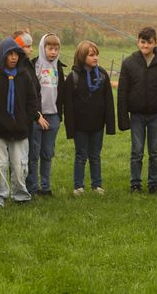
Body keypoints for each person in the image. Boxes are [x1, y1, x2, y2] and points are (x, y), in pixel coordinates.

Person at [0, 37, 47, 206]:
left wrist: (27, 119)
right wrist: (1, 120)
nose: (13, 57)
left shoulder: (24, 76)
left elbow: (32, 101)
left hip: (20, 130)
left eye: (16, 54)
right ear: (2, 56)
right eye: (9, 54)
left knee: (20, 165)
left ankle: (20, 195)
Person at [117, 27, 157, 193]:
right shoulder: (129, 63)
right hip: (136, 115)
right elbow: (122, 92)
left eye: (149, 42)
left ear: (155, 43)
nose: (146, 45)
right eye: (143, 42)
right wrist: (123, 118)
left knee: (155, 152)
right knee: (137, 151)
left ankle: (154, 184)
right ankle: (135, 183)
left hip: (156, 115)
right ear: (138, 41)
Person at [63, 40, 115, 196]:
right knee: (81, 155)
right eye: (91, 55)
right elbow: (68, 106)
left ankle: (96, 185)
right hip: (80, 126)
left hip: (98, 125)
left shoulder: (103, 75)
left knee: (95, 156)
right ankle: (78, 186)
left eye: (96, 54)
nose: (95, 57)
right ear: (81, 56)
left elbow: (109, 101)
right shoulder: (72, 77)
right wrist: (70, 129)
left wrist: (110, 125)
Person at [27, 33, 66, 197]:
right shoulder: (33, 65)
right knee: (33, 154)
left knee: (47, 154)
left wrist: (59, 115)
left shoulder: (58, 67)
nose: (53, 52)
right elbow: (30, 93)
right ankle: (33, 187)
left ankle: (46, 187)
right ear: (43, 48)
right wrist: (36, 114)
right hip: (37, 117)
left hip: (53, 116)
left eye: (56, 49)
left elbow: (61, 92)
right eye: (50, 48)